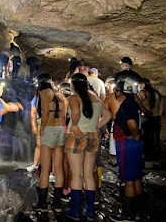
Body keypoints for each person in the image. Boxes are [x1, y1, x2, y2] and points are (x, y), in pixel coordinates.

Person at [65, 73, 111, 221]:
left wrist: (75, 125)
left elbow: (76, 112)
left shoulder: (74, 98)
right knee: (89, 174)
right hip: (92, 136)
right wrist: (98, 126)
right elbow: (108, 115)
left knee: (77, 174)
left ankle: (75, 210)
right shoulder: (96, 99)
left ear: (74, 85)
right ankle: (90, 211)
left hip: (77, 136)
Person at [110, 81, 144, 222]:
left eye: (116, 91)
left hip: (127, 144)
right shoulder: (134, 103)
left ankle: (127, 214)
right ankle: (137, 212)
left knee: (129, 179)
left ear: (120, 91)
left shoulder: (126, 105)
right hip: (134, 144)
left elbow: (132, 124)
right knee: (136, 178)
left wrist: (134, 135)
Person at [33, 73, 66, 213]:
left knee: (45, 168)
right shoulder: (59, 93)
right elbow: (64, 114)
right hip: (60, 129)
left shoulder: (44, 92)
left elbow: (45, 112)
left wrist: (42, 128)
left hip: (50, 128)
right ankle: (57, 204)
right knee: (58, 167)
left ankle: (43, 203)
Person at [138, 78, 163, 168]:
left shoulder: (142, 93)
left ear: (144, 84)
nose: (138, 85)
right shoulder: (157, 93)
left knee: (146, 138)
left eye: (140, 84)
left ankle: (147, 158)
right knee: (155, 138)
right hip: (156, 118)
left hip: (146, 118)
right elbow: (161, 107)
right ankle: (156, 159)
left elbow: (138, 104)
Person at [26, 89, 41, 172]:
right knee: (39, 144)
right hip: (40, 121)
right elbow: (33, 113)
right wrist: (33, 125)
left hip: (50, 122)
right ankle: (35, 164)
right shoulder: (36, 98)